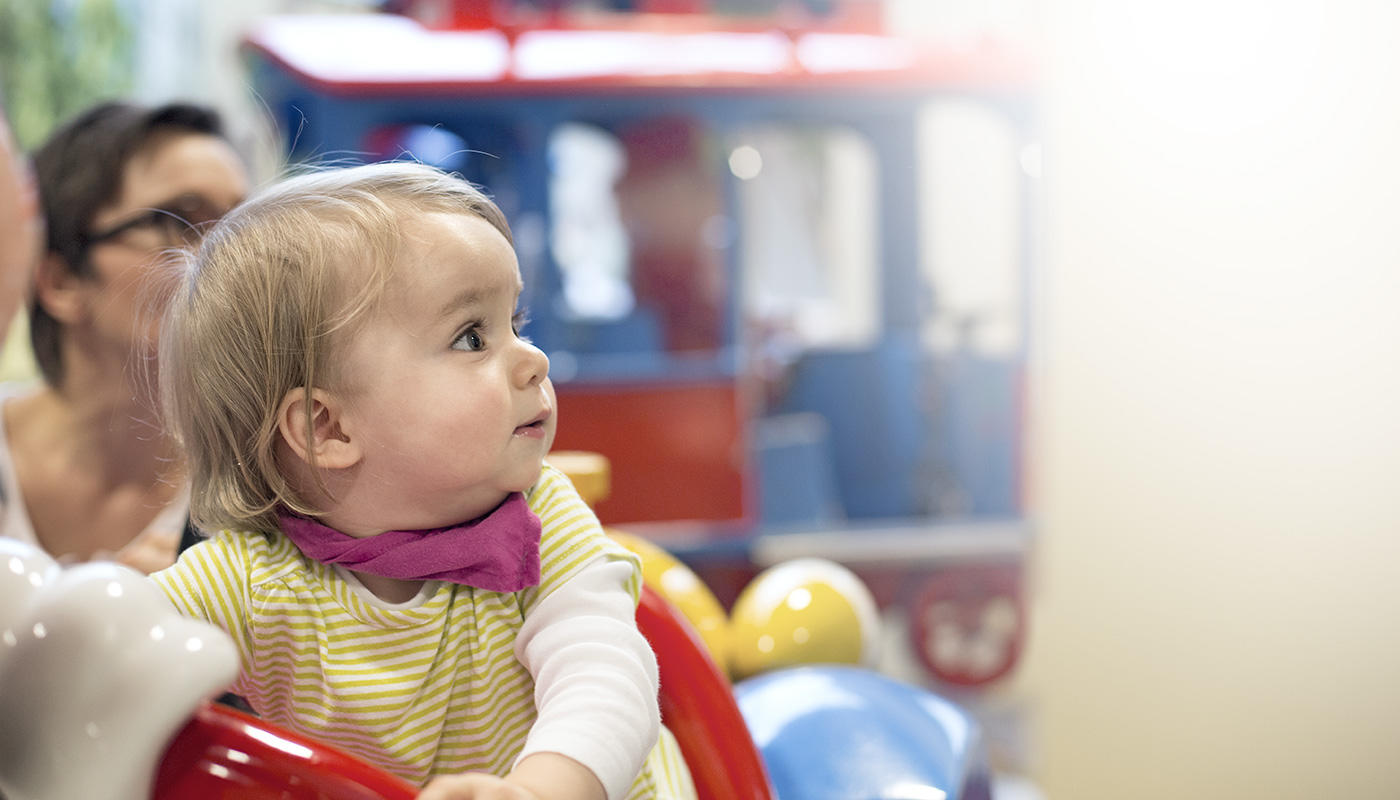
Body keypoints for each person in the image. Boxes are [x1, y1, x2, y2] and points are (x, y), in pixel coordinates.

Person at [151, 161, 697, 800]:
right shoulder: (248, 582)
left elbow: (603, 670)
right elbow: (110, 649)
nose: (534, 358)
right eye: (471, 337)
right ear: (327, 428)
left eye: (514, 323)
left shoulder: (538, 515)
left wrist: (541, 790)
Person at [0, 101, 249, 572]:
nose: (227, 255)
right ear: (59, 281)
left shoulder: (257, 501)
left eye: (242, 226)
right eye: (181, 220)